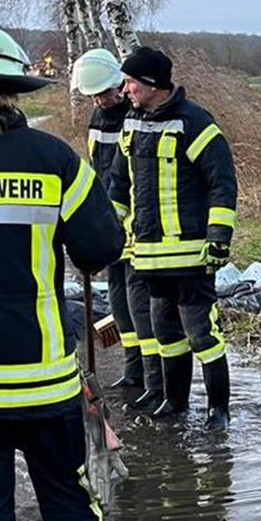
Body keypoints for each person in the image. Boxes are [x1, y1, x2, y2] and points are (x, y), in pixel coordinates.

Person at [0, 26, 124, 521]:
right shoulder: (55, 158)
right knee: (68, 498)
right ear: (15, 88)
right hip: (44, 378)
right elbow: (102, 246)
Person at [108, 46, 238, 430]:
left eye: (131, 81)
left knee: (202, 334)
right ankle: (175, 402)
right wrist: (108, 232)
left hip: (192, 254)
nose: (126, 89)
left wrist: (218, 237)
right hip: (148, 255)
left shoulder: (195, 122)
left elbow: (222, 183)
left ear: (152, 84)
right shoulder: (131, 122)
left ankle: (219, 411)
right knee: (166, 333)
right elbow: (119, 183)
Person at [71, 48, 164, 411]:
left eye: (107, 92)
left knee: (141, 307)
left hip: (137, 226)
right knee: (120, 304)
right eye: (94, 95)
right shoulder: (97, 117)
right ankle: (132, 368)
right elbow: (97, 170)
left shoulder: (137, 115)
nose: (102, 99)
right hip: (110, 223)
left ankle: (153, 380)